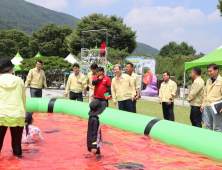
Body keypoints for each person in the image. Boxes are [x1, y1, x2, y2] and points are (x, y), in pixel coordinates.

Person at [0, 58, 26, 156]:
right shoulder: (19, 80)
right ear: (11, 69)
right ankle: (18, 164)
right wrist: (23, 114)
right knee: (17, 144)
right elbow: (23, 99)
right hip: (17, 115)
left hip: (1, 114)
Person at [201, 64, 222, 132]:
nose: (209, 73)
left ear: (216, 70)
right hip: (207, 106)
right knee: (207, 125)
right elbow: (205, 94)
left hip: (216, 106)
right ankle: (208, 141)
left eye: (211, 71)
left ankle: (218, 142)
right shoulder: (208, 81)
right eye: (208, 71)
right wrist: (203, 104)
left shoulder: (221, 81)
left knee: (217, 126)